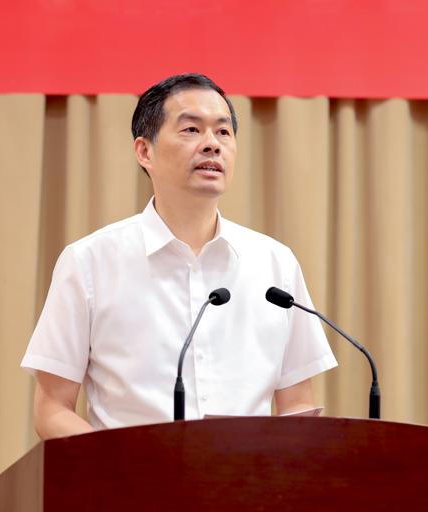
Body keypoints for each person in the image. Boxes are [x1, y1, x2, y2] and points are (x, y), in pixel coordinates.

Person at [22, 74, 337, 438]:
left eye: (223, 132)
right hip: (132, 473)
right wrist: (119, 465)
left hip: (247, 474)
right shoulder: (89, 262)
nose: (212, 145)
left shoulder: (276, 265)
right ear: (145, 152)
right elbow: (52, 408)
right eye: (191, 129)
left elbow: (297, 402)